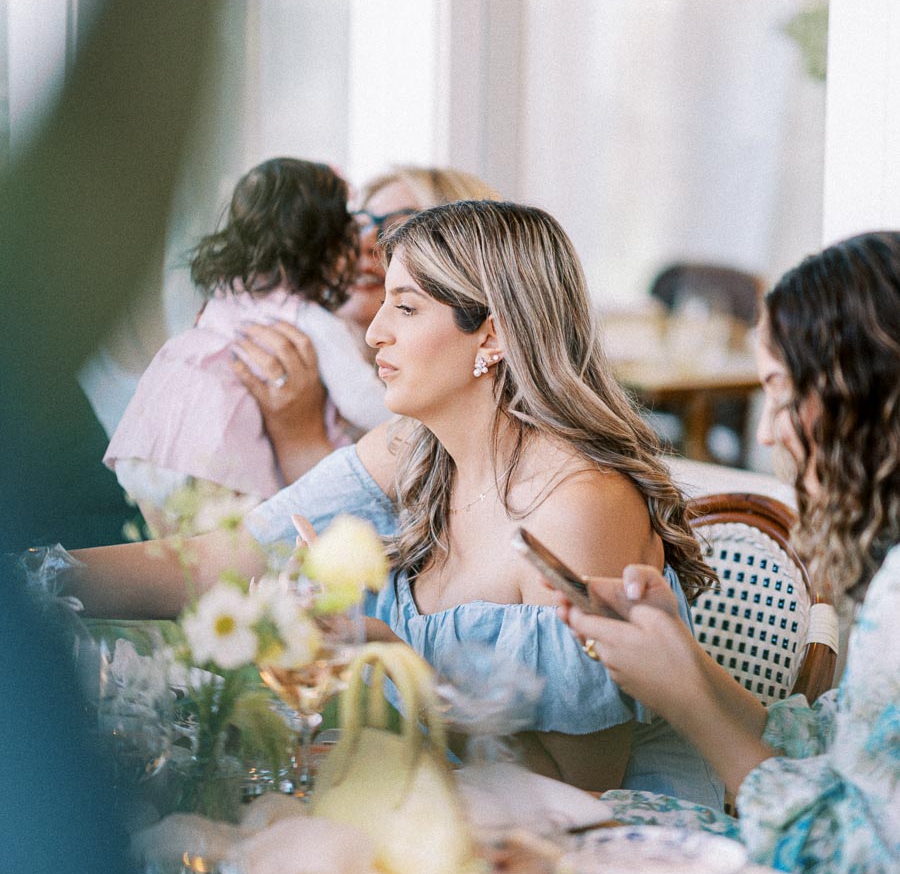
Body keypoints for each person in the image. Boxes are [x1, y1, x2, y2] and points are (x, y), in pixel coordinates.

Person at [73, 199, 721, 803]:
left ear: (491, 336)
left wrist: (400, 667)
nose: (375, 333)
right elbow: (239, 553)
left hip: (607, 850)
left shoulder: (578, 508)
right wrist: (46, 576)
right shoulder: (410, 449)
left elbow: (580, 790)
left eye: (406, 309)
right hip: (438, 803)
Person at [513, 231, 900, 874]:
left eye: (779, 390)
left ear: (854, 393)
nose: (766, 432)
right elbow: (840, 753)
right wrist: (683, 663)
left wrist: (686, 698)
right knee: (583, 867)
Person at [103, 157, 390, 531]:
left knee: (177, 547)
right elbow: (360, 399)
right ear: (330, 244)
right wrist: (408, 422)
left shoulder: (225, 297)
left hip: (152, 439)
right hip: (218, 455)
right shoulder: (306, 317)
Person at [231, 165, 501, 484]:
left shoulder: (456, 425)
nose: (362, 245)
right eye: (356, 227)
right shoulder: (291, 338)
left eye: (397, 231)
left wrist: (299, 436)